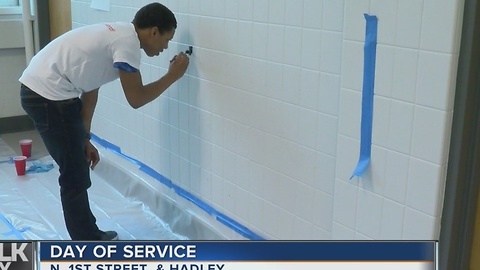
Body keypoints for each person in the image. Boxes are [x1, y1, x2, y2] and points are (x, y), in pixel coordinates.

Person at [18, 2, 189, 240]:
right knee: (74, 175)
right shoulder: (127, 44)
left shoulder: (117, 32)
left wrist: (83, 139)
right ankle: (86, 242)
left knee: (76, 166)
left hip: (45, 89)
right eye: (166, 39)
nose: (165, 47)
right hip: (48, 94)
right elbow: (136, 99)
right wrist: (172, 76)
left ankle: (88, 233)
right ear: (153, 31)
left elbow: (90, 89)